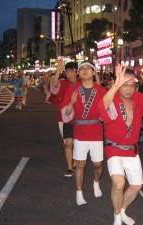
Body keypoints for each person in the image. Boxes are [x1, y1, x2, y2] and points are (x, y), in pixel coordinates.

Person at [98, 65, 143, 225]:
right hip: (114, 148)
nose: (128, 89)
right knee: (119, 183)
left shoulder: (138, 98)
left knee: (136, 186)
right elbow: (101, 108)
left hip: (132, 149)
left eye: (131, 85)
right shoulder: (112, 97)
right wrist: (115, 86)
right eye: (124, 85)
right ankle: (116, 218)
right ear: (119, 84)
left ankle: (121, 211)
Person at [61, 60, 107, 205]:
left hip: (96, 131)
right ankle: (79, 192)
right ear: (79, 73)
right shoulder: (72, 90)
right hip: (80, 131)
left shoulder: (102, 91)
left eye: (89, 68)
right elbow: (65, 114)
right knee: (80, 164)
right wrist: (71, 103)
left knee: (98, 164)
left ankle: (96, 181)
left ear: (94, 73)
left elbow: (109, 111)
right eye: (82, 68)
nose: (85, 70)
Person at [51, 59, 78, 177]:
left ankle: (76, 162)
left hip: (81, 118)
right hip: (64, 118)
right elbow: (54, 86)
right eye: (67, 71)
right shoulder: (63, 83)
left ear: (76, 72)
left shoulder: (83, 82)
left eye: (71, 71)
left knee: (77, 143)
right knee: (68, 143)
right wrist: (58, 70)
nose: (69, 74)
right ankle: (69, 167)